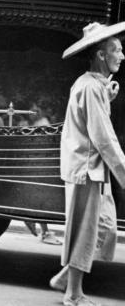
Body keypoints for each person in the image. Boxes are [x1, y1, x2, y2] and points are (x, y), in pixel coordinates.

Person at [48, 22, 125, 306]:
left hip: (90, 168)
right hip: (87, 169)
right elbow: (103, 139)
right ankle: (73, 294)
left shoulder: (93, 86)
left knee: (104, 228)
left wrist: (108, 95)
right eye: (116, 50)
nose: (122, 55)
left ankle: (64, 278)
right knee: (87, 230)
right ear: (101, 55)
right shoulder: (91, 87)